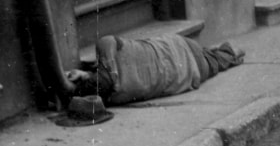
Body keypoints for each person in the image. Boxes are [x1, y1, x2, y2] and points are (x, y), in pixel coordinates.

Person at [66, 34, 245, 106]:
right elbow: (108, 47)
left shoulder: (117, 96)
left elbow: (106, 82)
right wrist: (89, 74)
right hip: (175, 45)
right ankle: (225, 52)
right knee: (209, 56)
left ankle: (228, 54)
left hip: (187, 67)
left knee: (215, 60)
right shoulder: (109, 48)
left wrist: (87, 77)